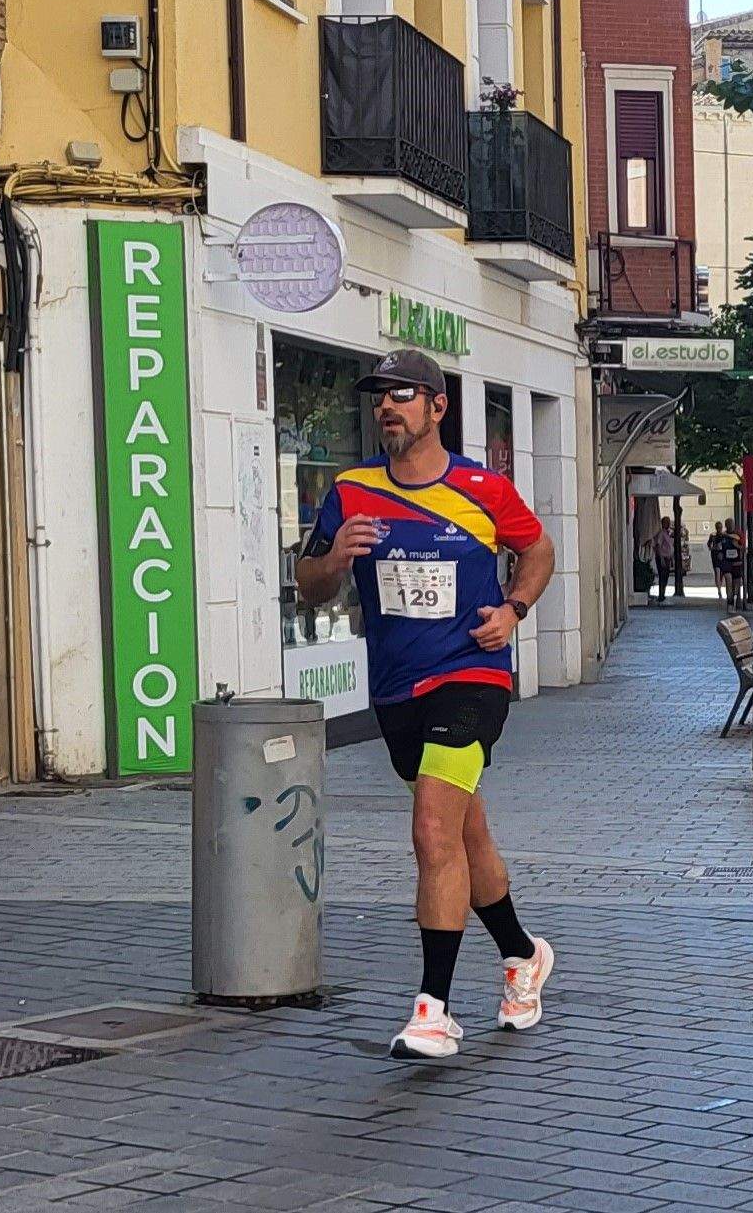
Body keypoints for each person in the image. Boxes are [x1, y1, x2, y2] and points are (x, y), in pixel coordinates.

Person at [293, 349, 556, 1060]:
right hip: (396, 689)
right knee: (465, 835)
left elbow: (538, 551)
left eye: (403, 395)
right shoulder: (349, 492)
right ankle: (523, 953)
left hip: (472, 674)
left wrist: (514, 608)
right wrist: (332, 561)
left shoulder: (481, 487)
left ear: (438, 407)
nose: (388, 407)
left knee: (432, 829)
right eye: (379, 396)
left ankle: (433, 1010)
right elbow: (308, 586)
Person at [651, 522, 676, 602]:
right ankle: (661, 596)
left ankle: (663, 594)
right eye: (667, 522)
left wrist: (671, 559)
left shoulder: (668, 533)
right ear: (663, 523)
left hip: (667, 558)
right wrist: (661, 559)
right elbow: (658, 545)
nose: (668, 524)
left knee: (666, 577)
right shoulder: (661, 533)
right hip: (663, 558)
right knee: (662, 577)